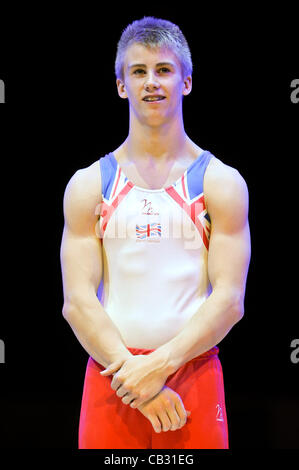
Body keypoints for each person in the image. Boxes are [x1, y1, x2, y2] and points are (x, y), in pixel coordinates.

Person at [60, 16, 251, 449]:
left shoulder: (220, 184)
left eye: (164, 70)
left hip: (192, 377)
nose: (152, 82)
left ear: (186, 81)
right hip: (112, 376)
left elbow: (230, 300)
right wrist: (135, 376)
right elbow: (77, 302)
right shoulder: (89, 185)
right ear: (120, 85)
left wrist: (160, 366)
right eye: (138, 71)